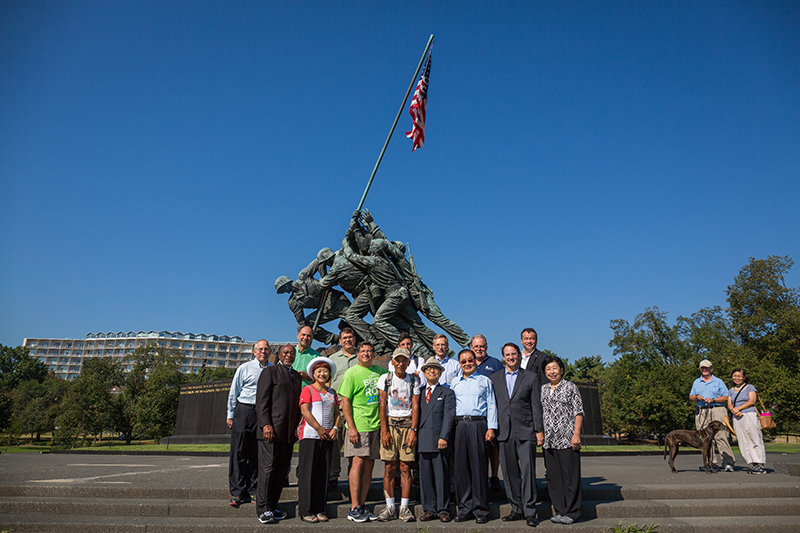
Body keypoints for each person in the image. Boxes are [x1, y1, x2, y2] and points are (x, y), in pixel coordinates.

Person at [489, 343, 544, 527]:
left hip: (525, 430)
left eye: (513, 354)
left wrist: (539, 430)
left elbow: (536, 405)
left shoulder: (531, 377)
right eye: (507, 354)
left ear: (519, 355)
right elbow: (492, 406)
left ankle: (530, 510)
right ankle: (516, 508)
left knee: (528, 472)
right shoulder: (494, 378)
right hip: (503, 432)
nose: (511, 357)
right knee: (509, 473)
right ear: (503, 357)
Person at [338, 340, 388, 522]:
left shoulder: (381, 372)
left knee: (369, 466)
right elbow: (345, 402)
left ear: (374, 355)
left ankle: (363, 504)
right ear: (358, 354)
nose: (366, 354)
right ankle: (354, 507)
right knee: (357, 464)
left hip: (376, 426)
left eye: (369, 351)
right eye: (363, 351)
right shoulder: (351, 373)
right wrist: (351, 427)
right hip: (359, 426)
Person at [255, 344, 302, 524]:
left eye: (292, 353)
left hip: (288, 433)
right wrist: (266, 424)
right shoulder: (270, 372)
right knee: (268, 469)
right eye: (285, 353)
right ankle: (262, 508)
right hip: (271, 430)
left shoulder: (296, 376)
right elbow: (262, 401)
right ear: (280, 355)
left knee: (281, 471)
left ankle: (273, 505)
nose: (289, 355)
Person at [451, 349, 497, 524]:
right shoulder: (454, 382)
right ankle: (464, 508)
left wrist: (491, 427)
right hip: (460, 425)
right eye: (463, 362)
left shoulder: (485, 381)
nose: (467, 363)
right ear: (460, 364)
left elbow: (492, 404)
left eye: (470, 360)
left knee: (479, 467)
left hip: (479, 424)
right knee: (461, 469)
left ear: (474, 362)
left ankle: (481, 509)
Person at [376, 347, 420, 522]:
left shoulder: (413, 380)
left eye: (404, 360)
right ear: (392, 362)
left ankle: (404, 507)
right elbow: (382, 404)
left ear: (409, 363)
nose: (401, 363)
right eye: (398, 360)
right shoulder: (385, 379)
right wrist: (384, 430)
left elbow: (416, 406)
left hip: (407, 425)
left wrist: (413, 430)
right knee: (389, 467)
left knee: (405, 467)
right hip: (391, 425)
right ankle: (389, 506)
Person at [226, 339, 271, 507]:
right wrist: (230, 414)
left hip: (263, 413)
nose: (263, 352)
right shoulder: (244, 368)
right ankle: (237, 491)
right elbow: (234, 391)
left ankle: (253, 490)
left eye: (266, 349)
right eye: (260, 349)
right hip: (244, 410)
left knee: (257, 453)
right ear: (254, 351)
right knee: (239, 451)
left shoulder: (273, 369)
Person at [297, 356, 341, 522]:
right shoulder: (307, 389)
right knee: (308, 474)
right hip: (310, 436)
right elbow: (305, 411)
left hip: (327, 437)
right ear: (313, 374)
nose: (322, 374)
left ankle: (320, 509)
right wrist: (318, 428)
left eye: (325, 371)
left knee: (323, 474)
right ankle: (306, 510)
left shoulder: (332, 392)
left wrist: (335, 428)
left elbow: (337, 413)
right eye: (319, 371)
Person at [541, 355, 583, 525]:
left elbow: (578, 412)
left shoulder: (570, 387)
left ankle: (572, 512)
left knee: (570, 477)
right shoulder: (543, 389)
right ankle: (560, 510)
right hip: (549, 441)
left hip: (567, 439)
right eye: (548, 369)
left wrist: (576, 434)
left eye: (555, 368)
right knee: (554, 477)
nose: (552, 372)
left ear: (561, 370)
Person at [417, 357, 456, 523]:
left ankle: (443, 509)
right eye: (428, 369)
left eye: (435, 369)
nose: (432, 371)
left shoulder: (447, 393)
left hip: (439, 440)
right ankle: (429, 509)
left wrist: (444, 436)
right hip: (423, 440)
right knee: (425, 478)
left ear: (440, 373)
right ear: (424, 373)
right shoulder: (418, 393)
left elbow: (449, 417)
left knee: (441, 477)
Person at [470, 334, 503, 490]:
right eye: (476, 346)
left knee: (492, 446)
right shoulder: (467, 363)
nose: (479, 349)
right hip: (474, 413)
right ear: (471, 348)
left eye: (481, 346)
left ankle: (494, 476)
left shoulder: (495, 363)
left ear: (486, 347)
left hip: (491, 410)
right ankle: (479, 477)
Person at [689, 359, 735, 471]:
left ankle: (728, 462)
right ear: (700, 369)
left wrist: (713, 399)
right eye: (702, 368)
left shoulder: (718, 381)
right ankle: (711, 463)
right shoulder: (697, 382)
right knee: (705, 438)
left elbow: (726, 397)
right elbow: (691, 396)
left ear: (711, 369)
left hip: (717, 409)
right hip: (702, 410)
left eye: (707, 367)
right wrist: (697, 397)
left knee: (721, 435)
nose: (704, 369)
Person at [327, 326, 358, 489]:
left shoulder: (361, 358)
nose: (347, 340)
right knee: (334, 444)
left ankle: (352, 475)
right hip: (337, 407)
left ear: (354, 339)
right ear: (340, 341)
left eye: (350, 337)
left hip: (355, 408)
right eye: (344, 338)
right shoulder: (333, 359)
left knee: (354, 444)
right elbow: (327, 381)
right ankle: (333, 475)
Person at [727, 368, 767, 475]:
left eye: (739, 376)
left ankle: (760, 464)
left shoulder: (750, 387)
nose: (737, 378)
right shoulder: (731, 390)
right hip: (737, 417)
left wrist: (738, 409)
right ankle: (753, 463)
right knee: (743, 440)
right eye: (735, 376)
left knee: (754, 438)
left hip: (749, 414)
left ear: (744, 377)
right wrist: (734, 411)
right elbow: (729, 403)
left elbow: (752, 401)